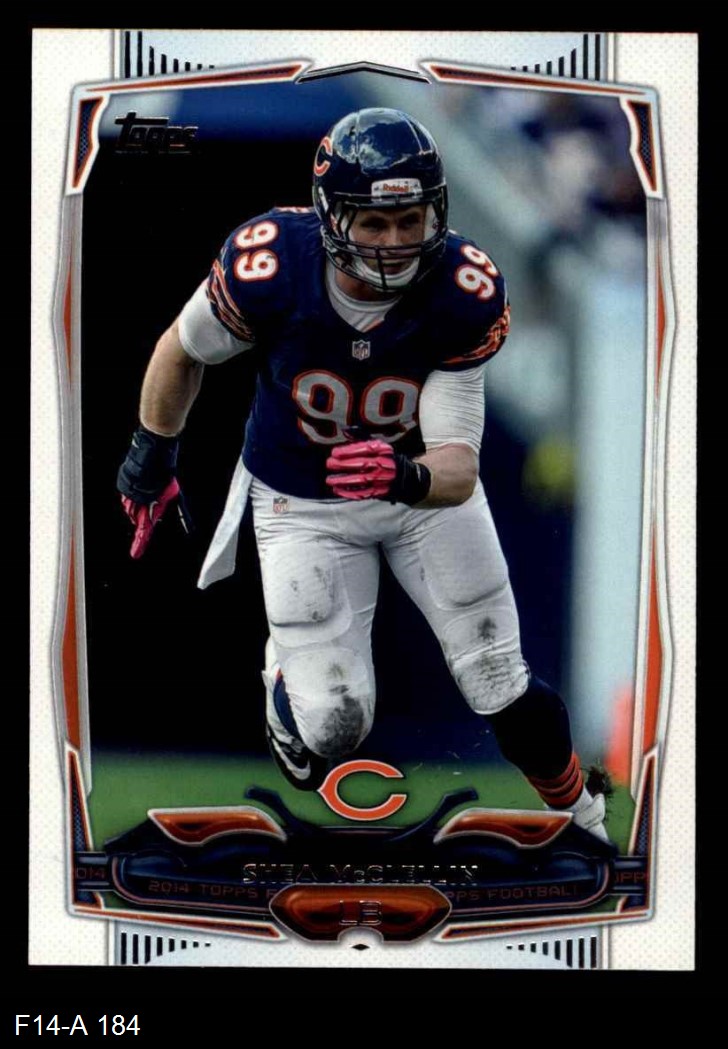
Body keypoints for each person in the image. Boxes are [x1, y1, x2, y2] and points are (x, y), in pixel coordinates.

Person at [118, 107, 609, 841]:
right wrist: (149, 457)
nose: (394, 242)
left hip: (419, 495)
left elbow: (457, 468)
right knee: (335, 726)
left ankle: (585, 818)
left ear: (436, 211)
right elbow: (182, 349)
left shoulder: (462, 292)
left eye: (409, 220)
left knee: (497, 676)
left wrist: (402, 473)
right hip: (302, 500)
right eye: (374, 223)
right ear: (330, 216)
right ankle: (286, 684)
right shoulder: (271, 267)